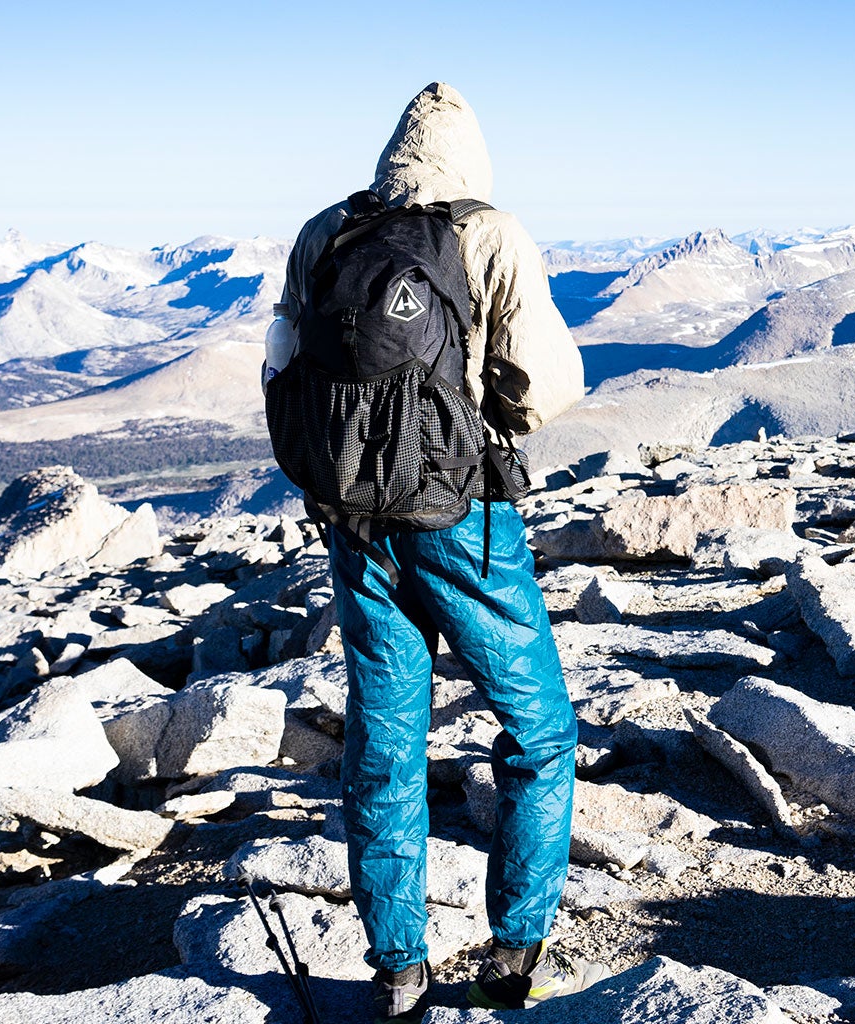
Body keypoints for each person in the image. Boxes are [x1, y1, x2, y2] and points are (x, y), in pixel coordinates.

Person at [268, 82, 593, 1021]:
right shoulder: (489, 234)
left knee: (386, 742)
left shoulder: (324, 231)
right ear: (469, 156)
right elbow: (545, 389)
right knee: (539, 733)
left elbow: (285, 370)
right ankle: (514, 947)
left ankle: (399, 971)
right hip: (465, 524)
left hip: (357, 528)